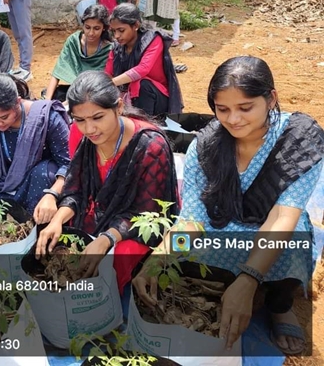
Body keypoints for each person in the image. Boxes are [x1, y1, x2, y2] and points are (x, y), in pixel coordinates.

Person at [133, 56, 324, 355]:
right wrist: (158, 259)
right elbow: (192, 220)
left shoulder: (299, 141)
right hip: (224, 219)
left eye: (245, 108)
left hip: (274, 224)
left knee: (292, 243)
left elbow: (281, 218)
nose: (233, 119)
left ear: (270, 98)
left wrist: (249, 279)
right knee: (187, 257)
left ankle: (279, 306)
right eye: (223, 109)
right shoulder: (206, 146)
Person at [36, 71, 179, 291]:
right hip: (99, 211)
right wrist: (57, 220)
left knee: (109, 267)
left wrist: (106, 240)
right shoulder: (83, 135)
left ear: (118, 107)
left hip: (134, 225)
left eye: (98, 117)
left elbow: (147, 214)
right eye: (80, 120)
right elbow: (76, 189)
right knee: (57, 246)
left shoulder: (151, 147)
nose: (89, 129)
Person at [0, 74, 70, 233]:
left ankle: (35, 232)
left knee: (43, 173)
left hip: (35, 186)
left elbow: (69, 163)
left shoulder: (46, 117)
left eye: (4, 117)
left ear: (18, 102)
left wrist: (52, 194)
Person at [106, 3, 183, 117]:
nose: (116, 36)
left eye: (121, 30)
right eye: (113, 31)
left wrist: (110, 83)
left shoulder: (153, 40)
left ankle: (145, 125)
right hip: (127, 97)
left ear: (136, 25)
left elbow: (142, 69)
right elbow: (108, 73)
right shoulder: (117, 47)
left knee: (142, 84)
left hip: (157, 99)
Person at [44, 4, 113, 102]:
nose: (91, 33)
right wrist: (46, 100)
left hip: (95, 93)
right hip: (74, 89)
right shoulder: (73, 41)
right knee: (49, 94)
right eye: (87, 27)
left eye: (96, 28)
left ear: (104, 28)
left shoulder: (109, 49)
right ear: (83, 25)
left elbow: (102, 83)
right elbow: (58, 72)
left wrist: (70, 102)